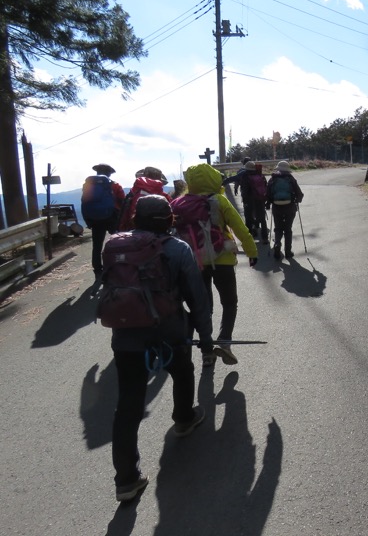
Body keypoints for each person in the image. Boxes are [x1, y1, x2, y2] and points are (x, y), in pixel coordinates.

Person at [106, 195, 214, 503]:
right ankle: (183, 418)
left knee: (128, 402)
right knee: (182, 370)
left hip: (125, 334)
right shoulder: (178, 248)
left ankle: (126, 480)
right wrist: (205, 337)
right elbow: (197, 297)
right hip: (168, 331)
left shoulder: (115, 245)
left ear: (135, 218)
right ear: (170, 220)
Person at [181, 163, 258, 366]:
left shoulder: (180, 202)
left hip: (195, 261)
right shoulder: (219, 200)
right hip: (222, 258)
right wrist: (252, 252)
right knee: (229, 302)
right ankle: (224, 342)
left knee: (204, 306)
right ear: (214, 179)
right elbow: (239, 227)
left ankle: (207, 352)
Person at [81, 163, 126, 278]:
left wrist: (88, 220)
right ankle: (117, 265)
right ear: (109, 173)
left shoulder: (88, 185)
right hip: (112, 217)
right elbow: (123, 201)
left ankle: (97, 270)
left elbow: (85, 202)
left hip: (95, 218)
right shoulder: (115, 185)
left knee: (97, 245)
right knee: (118, 241)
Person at [266, 160, 304, 259]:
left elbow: (268, 194)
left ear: (278, 168)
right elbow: (299, 194)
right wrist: (297, 200)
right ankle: (288, 252)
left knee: (278, 228)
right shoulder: (291, 179)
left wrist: (269, 203)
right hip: (289, 207)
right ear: (287, 169)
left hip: (276, 207)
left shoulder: (273, 179)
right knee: (288, 229)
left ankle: (277, 244)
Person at [117, 166, 171, 231]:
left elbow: (124, 212)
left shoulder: (133, 192)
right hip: (157, 234)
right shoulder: (165, 196)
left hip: (132, 232)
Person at [239, 161, 270, 242]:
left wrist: (244, 201)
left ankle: (249, 238)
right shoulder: (260, 175)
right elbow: (265, 187)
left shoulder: (245, 176)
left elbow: (244, 190)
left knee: (248, 219)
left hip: (249, 201)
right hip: (260, 199)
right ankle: (265, 238)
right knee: (262, 219)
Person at [222, 157, 253, 231]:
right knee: (257, 212)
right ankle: (263, 234)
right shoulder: (258, 171)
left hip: (247, 196)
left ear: (243, 163)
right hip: (258, 196)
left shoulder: (242, 171)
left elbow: (235, 179)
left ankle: (250, 231)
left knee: (248, 213)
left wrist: (223, 183)